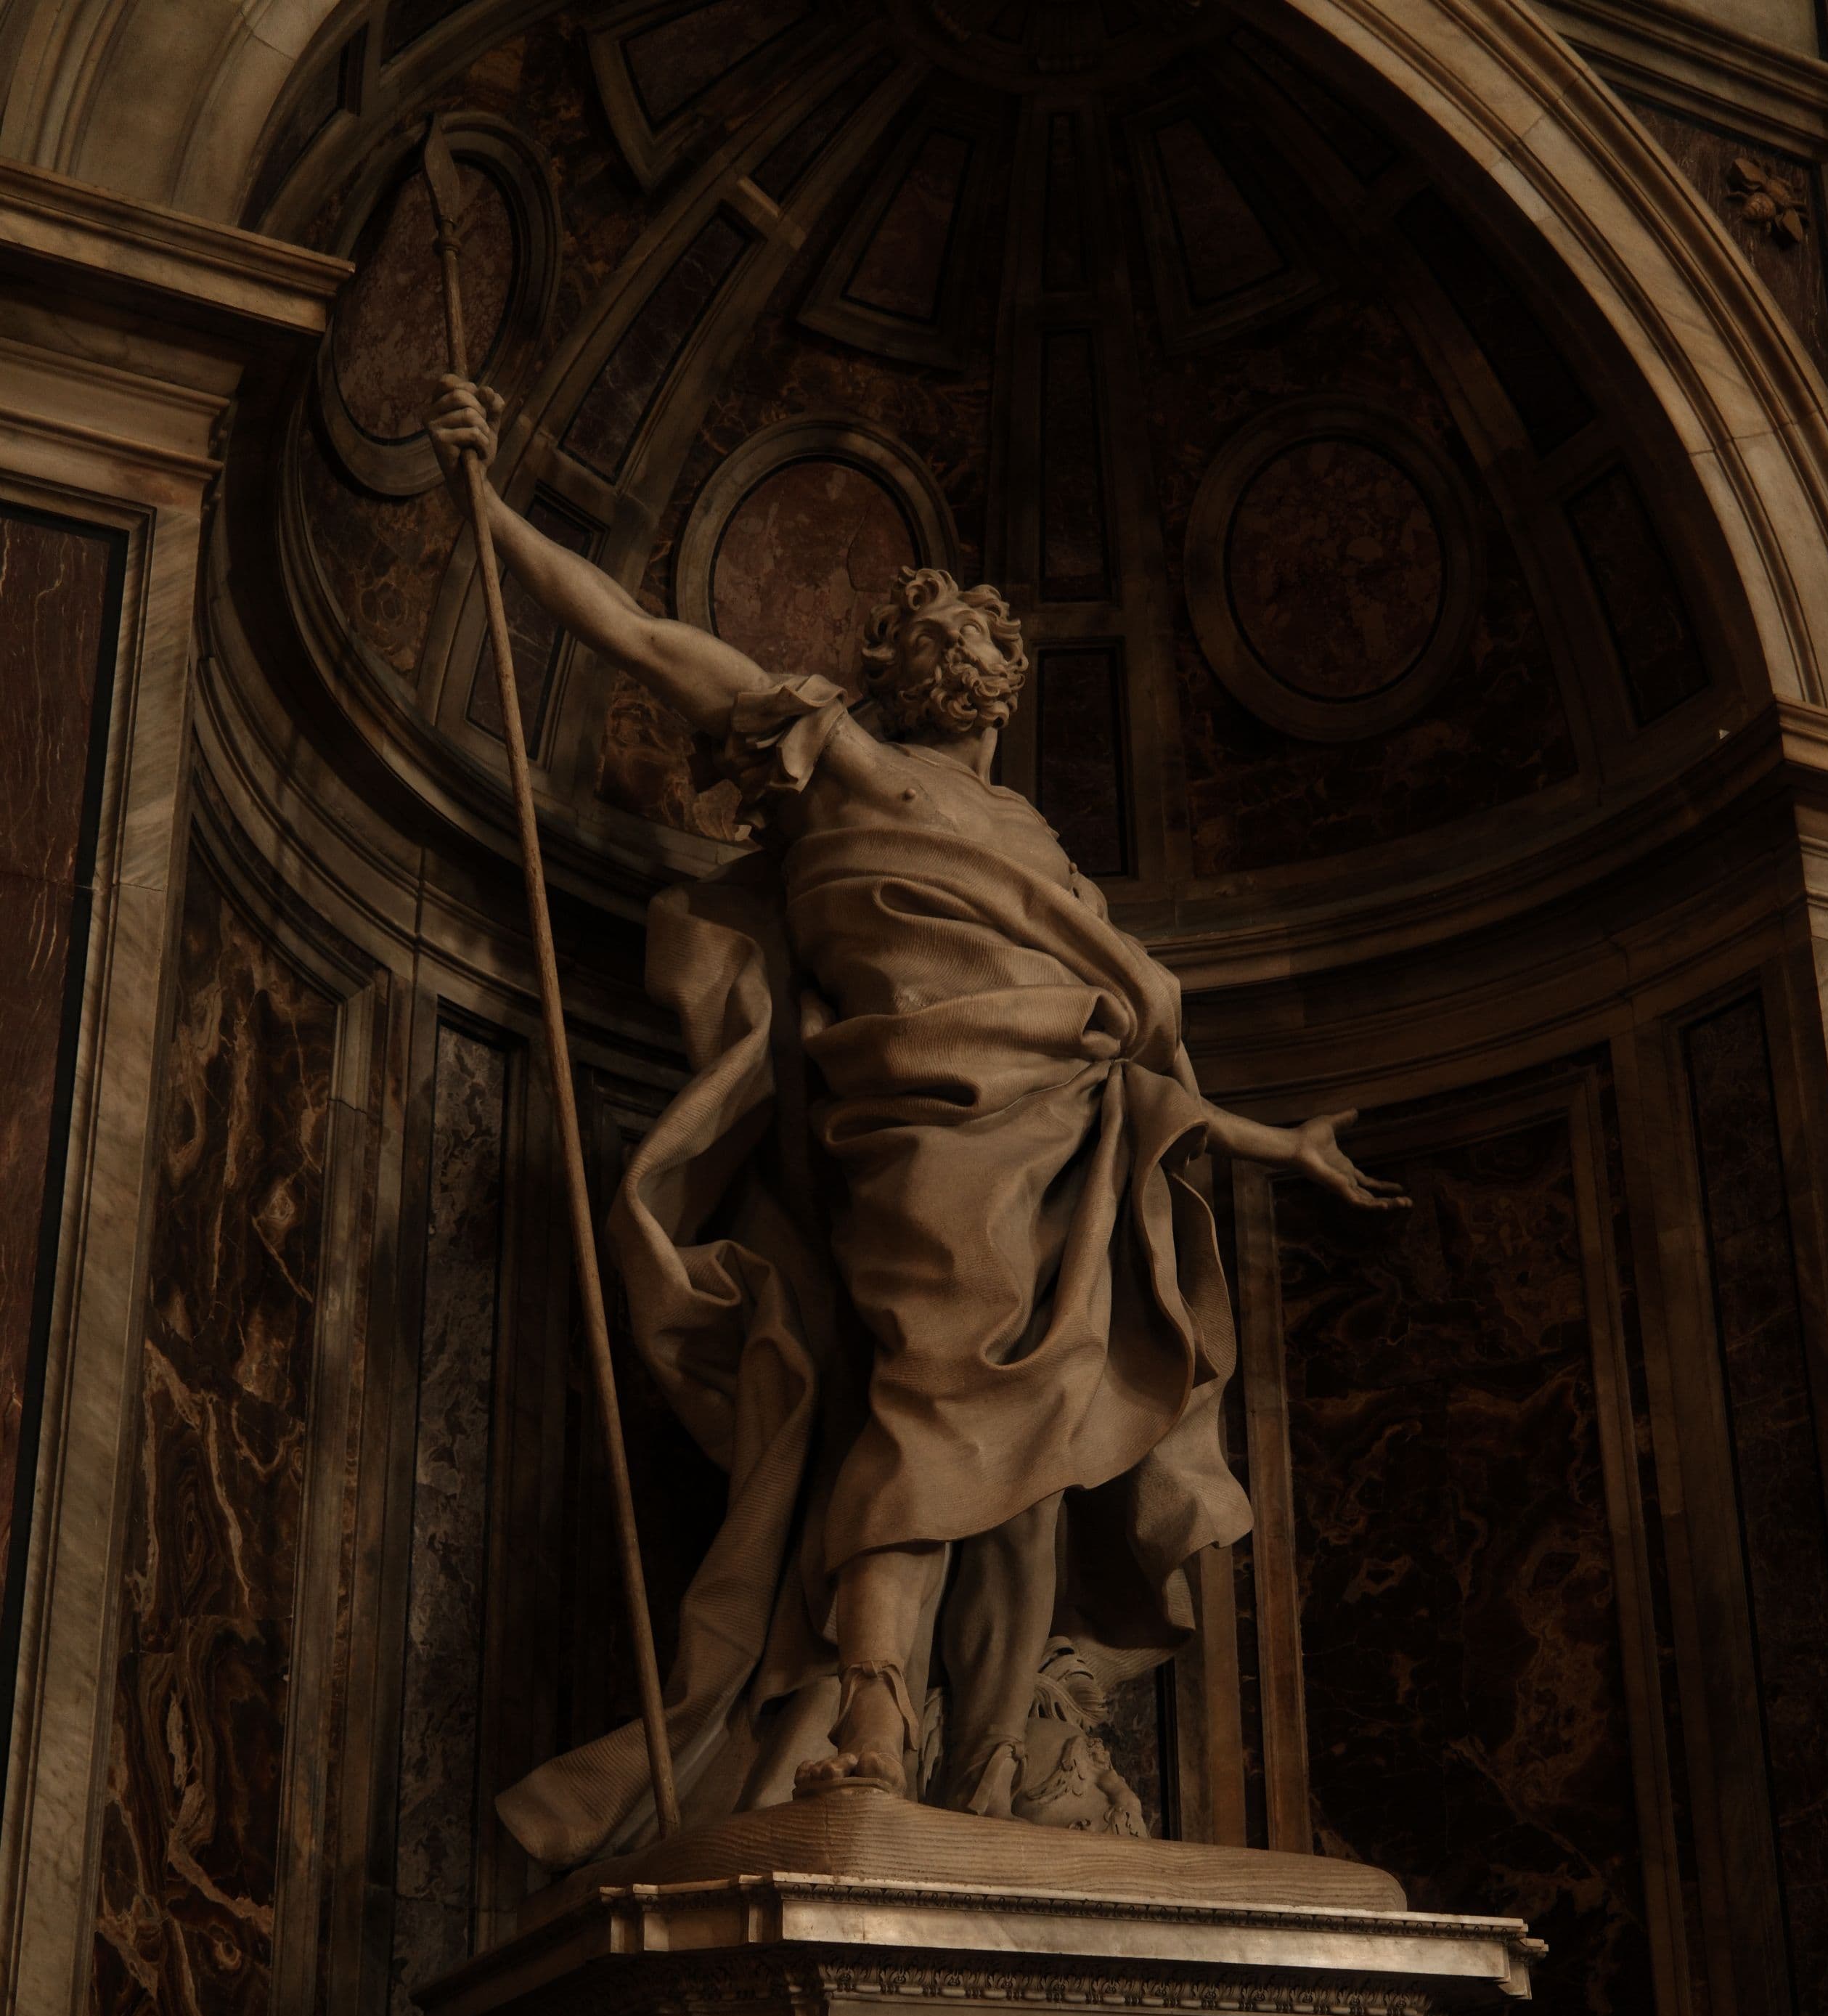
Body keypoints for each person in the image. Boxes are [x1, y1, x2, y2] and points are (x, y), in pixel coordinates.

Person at [426, 375, 1407, 1860]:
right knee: (932, 1414)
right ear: (893, 676)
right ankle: (874, 1725)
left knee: (1029, 1475)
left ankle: (990, 1765)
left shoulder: (1043, 850)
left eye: (982, 650)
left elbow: (1132, 1062)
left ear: (1007, 683)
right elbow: (639, 635)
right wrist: (486, 505)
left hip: (1063, 1152)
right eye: (937, 648)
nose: (963, 667)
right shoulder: (844, 761)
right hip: (924, 1148)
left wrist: (1276, 1144)